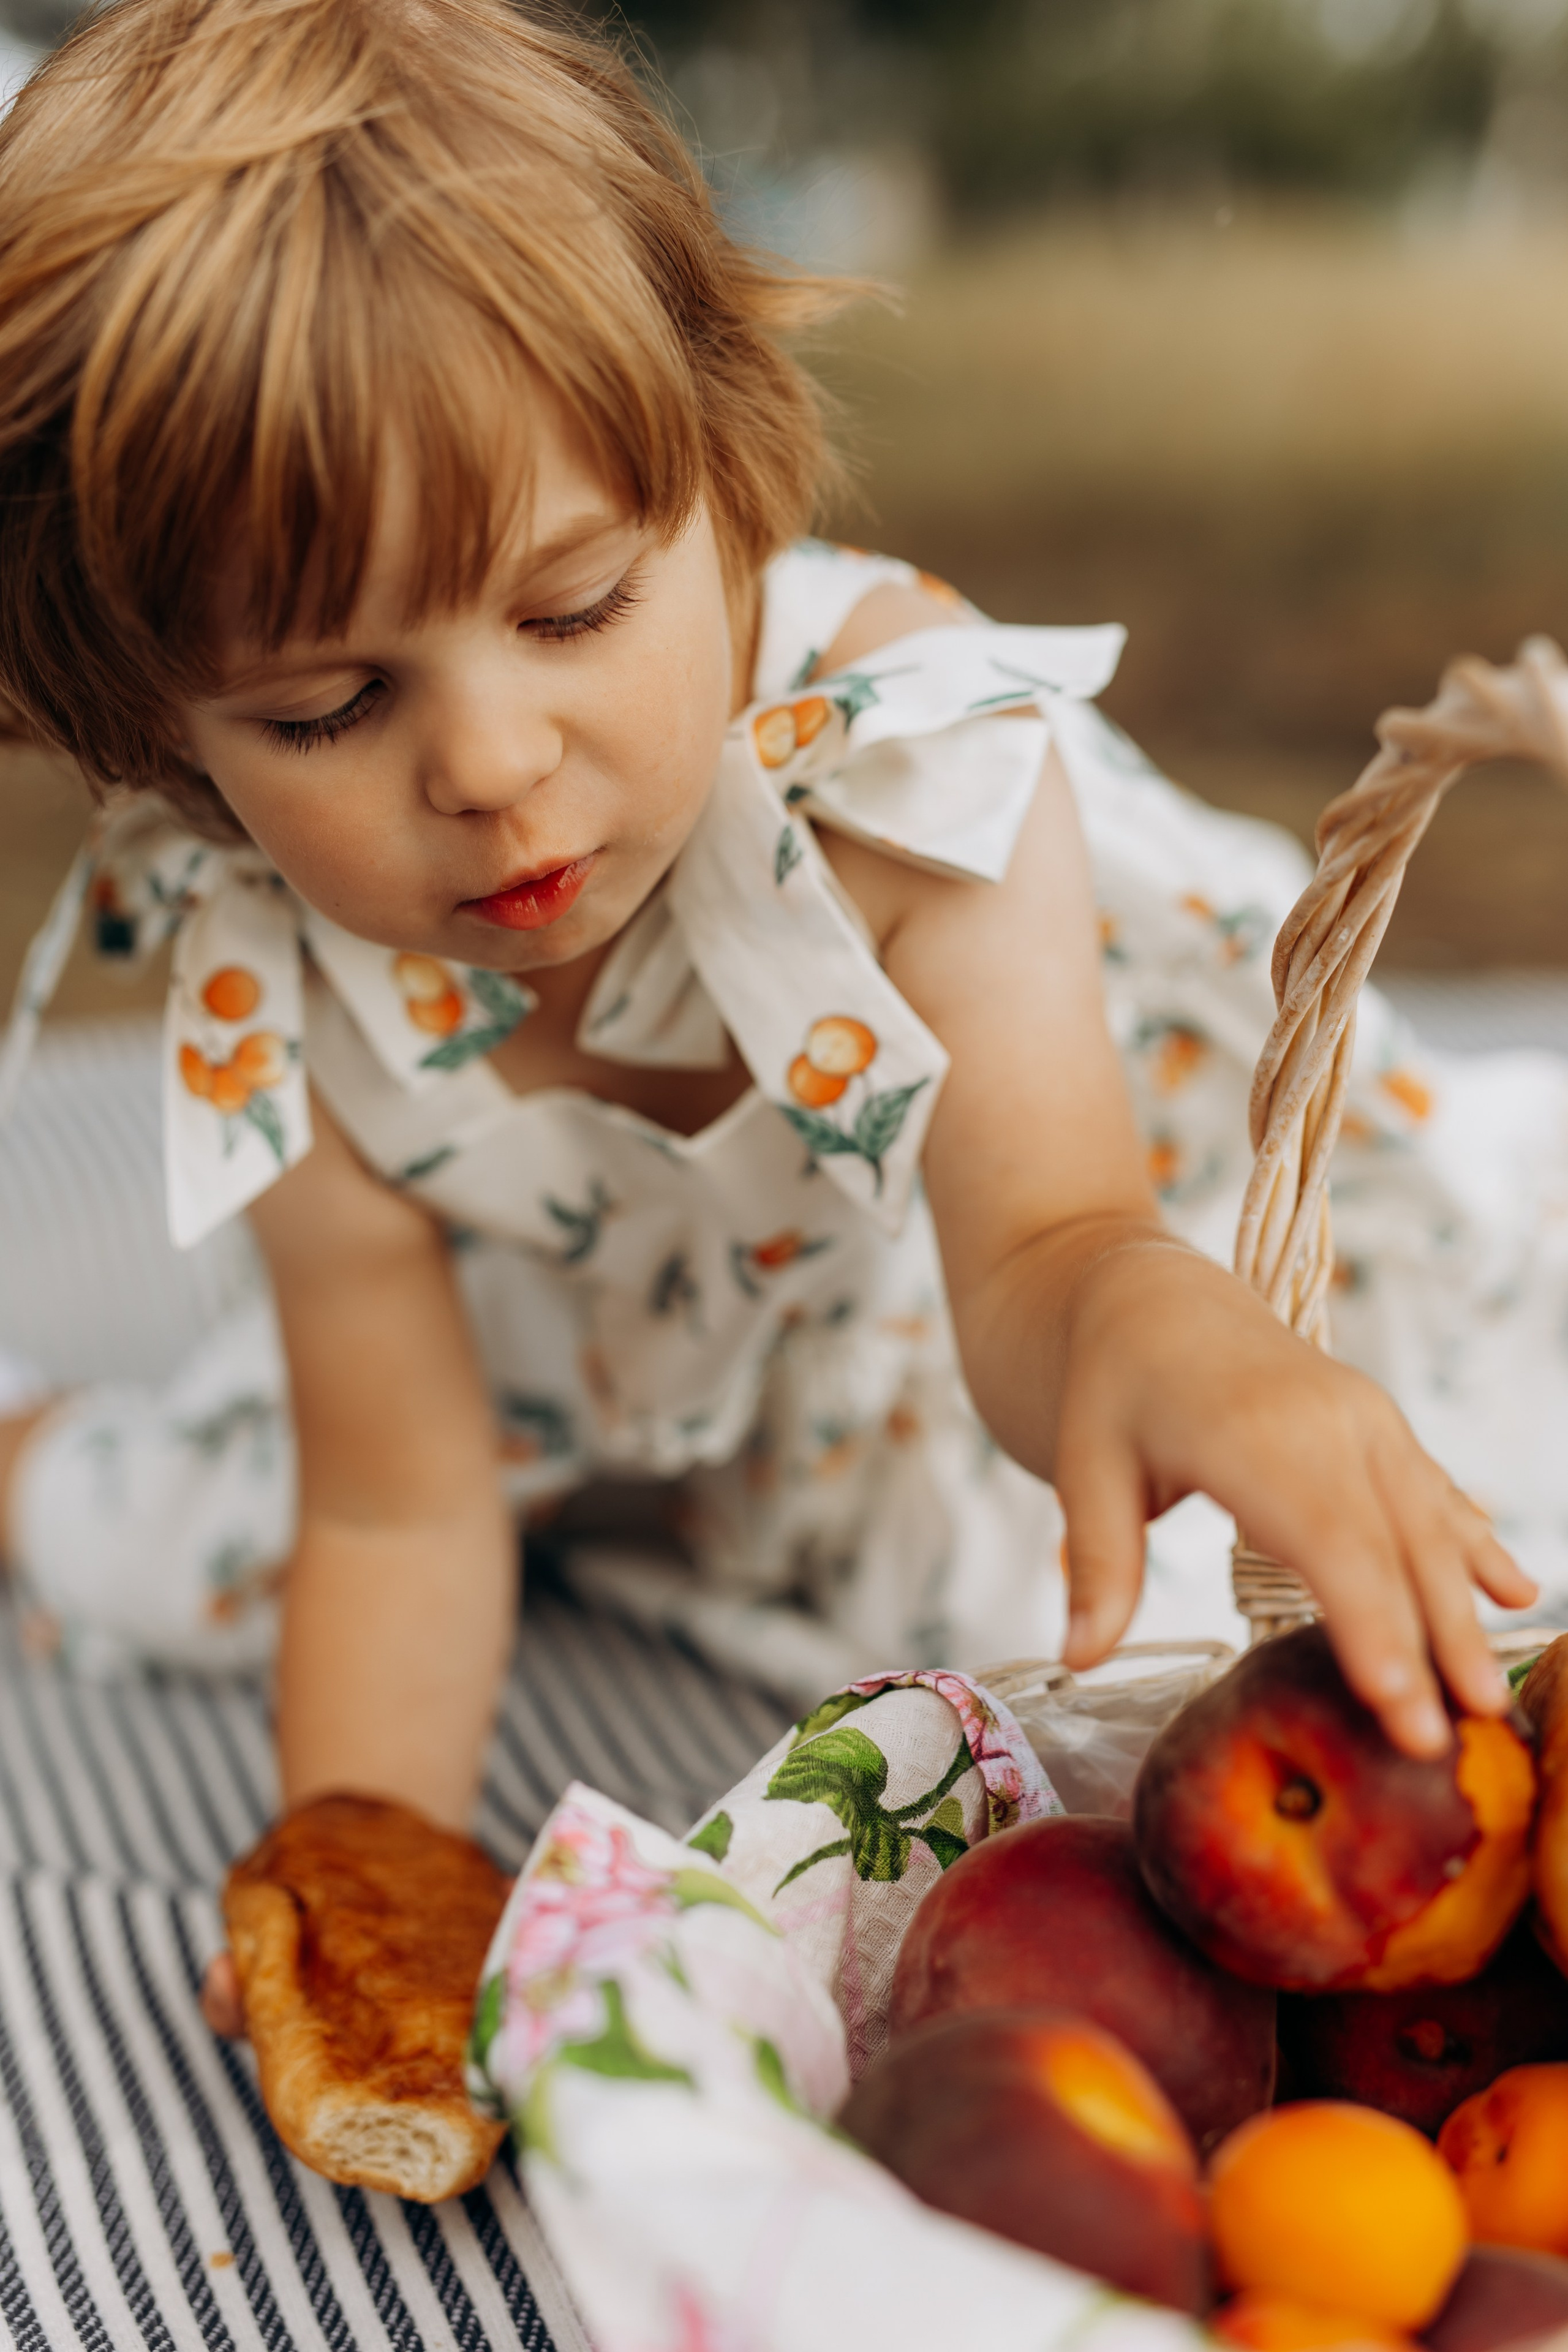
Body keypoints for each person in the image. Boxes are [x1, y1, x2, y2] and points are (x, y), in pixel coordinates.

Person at [0, 0, 1541, 2029]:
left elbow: (1050, 1246)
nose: (487, 761)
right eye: (324, 708)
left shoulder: (906, 775)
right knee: (192, 1541)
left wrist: (1174, 1328)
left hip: (982, 1289)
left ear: (726, 483)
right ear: (168, 746)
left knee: (1098, 1625)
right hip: (589, 1359)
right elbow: (399, 1497)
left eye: (570, 610)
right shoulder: (270, 974)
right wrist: (361, 1858)